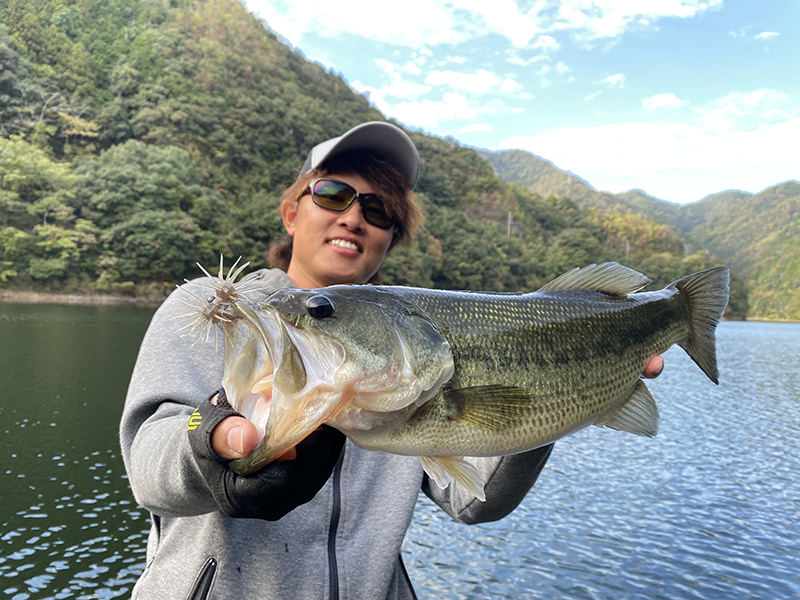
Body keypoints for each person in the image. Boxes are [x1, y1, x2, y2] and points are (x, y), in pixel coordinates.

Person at [120, 121, 665, 599]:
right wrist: (206, 443)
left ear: (391, 241)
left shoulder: (415, 344)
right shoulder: (219, 307)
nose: (354, 217)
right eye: (333, 193)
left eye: (379, 210)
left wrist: (559, 396)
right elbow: (147, 462)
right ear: (291, 213)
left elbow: (474, 501)